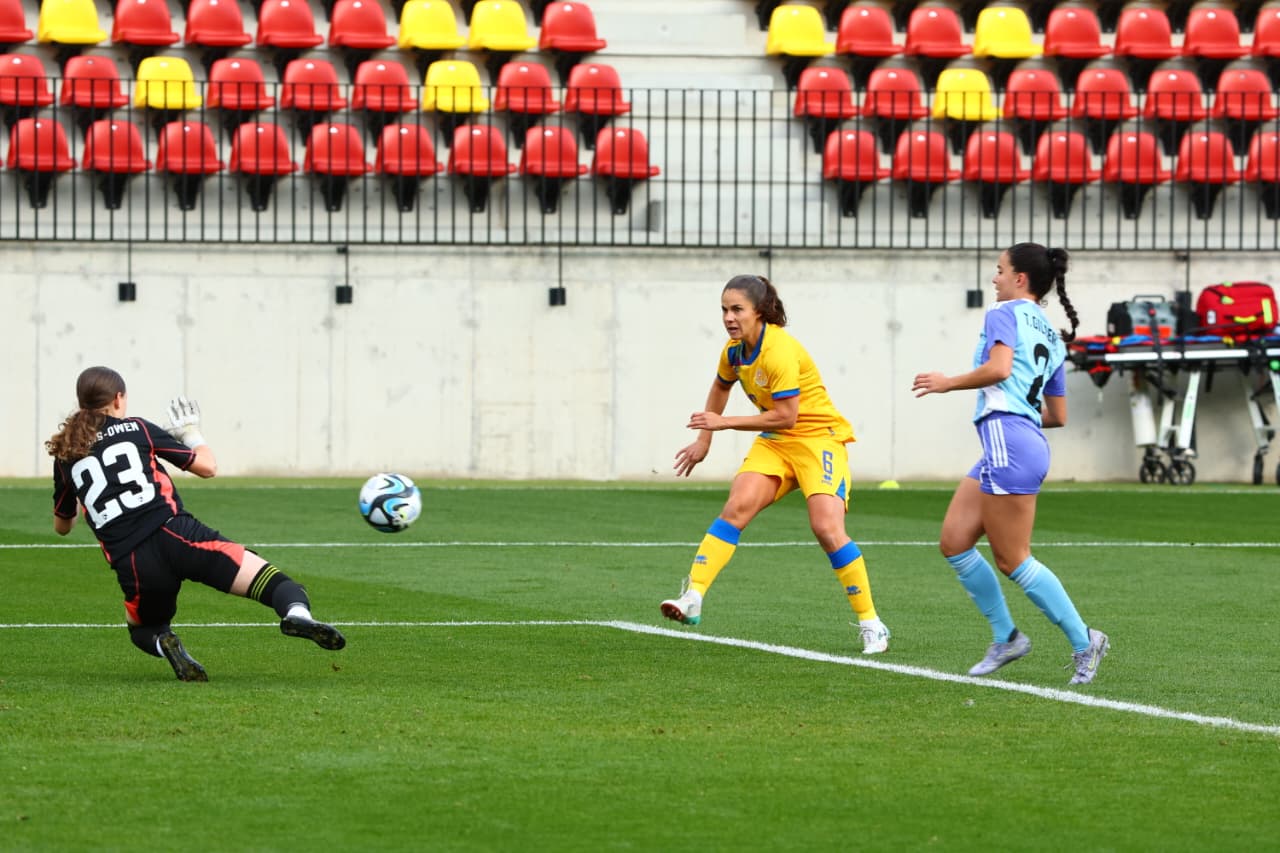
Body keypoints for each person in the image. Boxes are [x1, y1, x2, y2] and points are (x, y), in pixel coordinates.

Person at [46, 366, 345, 682]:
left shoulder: (66, 453)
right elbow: (207, 467)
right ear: (119, 399)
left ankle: (165, 643)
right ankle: (297, 615)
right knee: (274, 583)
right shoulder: (137, 429)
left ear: (81, 403)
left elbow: (63, 526)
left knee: (143, 628)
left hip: (132, 562)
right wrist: (191, 433)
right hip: (179, 535)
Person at [659, 274, 891, 654]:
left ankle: (871, 623)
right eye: (724, 309)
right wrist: (704, 439)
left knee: (826, 528)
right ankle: (694, 597)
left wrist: (724, 423)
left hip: (819, 441)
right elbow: (720, 387)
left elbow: (786, 415)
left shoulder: (779, 351)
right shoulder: (733, 351)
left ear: (760, 311)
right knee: (736, 507)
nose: (729, 318)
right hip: (778, 443)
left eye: (737, 309)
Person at [911, 243, 1109, 685]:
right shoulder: (1052, 335)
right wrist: (1018, 413)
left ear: (1021, 279)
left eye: (1000, 270)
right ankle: (1007, 637)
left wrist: (948, 383)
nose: (994, 277)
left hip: (1008, 442)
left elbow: (999, 369)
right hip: (1017, 441)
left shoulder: (1004, 313)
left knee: (1013, 559)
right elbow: (1057, 415)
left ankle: (1084, 640)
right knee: (955, 542)